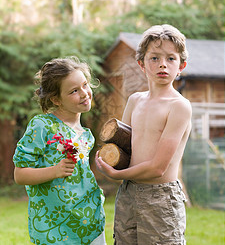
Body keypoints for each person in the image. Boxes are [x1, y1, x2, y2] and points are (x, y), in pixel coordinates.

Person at [95, 24, 192, 245]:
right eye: (154, 58)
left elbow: (159, 168)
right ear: (141, 64)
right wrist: (108, 158)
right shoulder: (135, 100)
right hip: (129, 193)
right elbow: (123, 148)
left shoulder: (179, 106)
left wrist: (117, 175)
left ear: (181, 66)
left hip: (160, 198)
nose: (162, 65)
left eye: (170, 59)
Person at [13, 56, 106, 245]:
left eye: (85, 85)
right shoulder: (42, 126)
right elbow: (20, 175)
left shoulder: (86, 135)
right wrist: (54, 171)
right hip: (54, 227)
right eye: (74, 91)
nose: (84, 93)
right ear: (56, 99)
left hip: (89, 216)